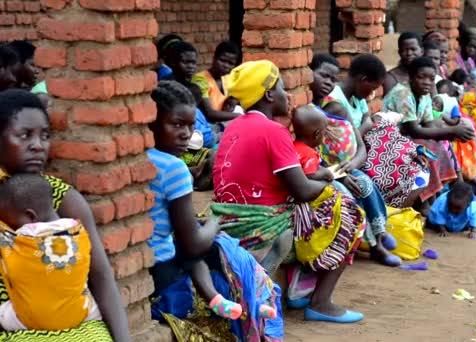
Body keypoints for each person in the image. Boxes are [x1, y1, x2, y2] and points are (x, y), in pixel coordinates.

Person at [212, 60, 366, 323]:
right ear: (270, 94)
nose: (288, 95)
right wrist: (329, 181)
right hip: (264, 222)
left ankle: (299, 286)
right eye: (282, 88)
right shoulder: (274, 131)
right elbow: (304, 190)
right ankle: (321, 302)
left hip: (228, 216)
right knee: (350, 214)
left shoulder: (234, 125)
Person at [147, 80, 283, 341]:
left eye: (189, 125)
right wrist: (216, 221)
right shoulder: (172, 168)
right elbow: (194, 246)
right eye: (176, 124)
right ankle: (245, 304)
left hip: (146, 269)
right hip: (165, 275)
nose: (186, 133)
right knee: (218, 251)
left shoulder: (141, 160)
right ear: (151, 123)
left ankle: (245, 303)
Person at [0, 89, 129, 341]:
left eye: (45, 136)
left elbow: (100, 274)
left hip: (78, 326)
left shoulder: (59, 196)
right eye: (24, 135)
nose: (38, 145)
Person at [311, 54, 401, 267]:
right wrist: (341, 173)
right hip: (329, 168)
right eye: (372, 89)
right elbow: (316, 152)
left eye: (332, 79)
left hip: (345, 163)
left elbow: (359, 144)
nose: (371, 95)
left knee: (365, 179)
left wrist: (351, 165)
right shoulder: (332, 106)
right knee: (359, 186)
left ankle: (378, 233)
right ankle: (375, 242)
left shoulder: (352, 101)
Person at [0, 174, 102, 331]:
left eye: (12, 222)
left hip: (32, 320)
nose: (12, 227)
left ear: (30, 216)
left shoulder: (26, 236)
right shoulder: (79, 232)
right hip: (80, 314)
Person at [384, 57, 476, 203]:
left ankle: (449, 191)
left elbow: (429, 124)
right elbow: (414, 130)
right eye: (421, 77)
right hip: (389, 141)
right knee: (429, 148)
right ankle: (427, 200)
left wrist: (450, 133)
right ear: (411, 77)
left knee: (440, 143)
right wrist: (451, 131)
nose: (427, 82)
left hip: (407, 137)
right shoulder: (403, 94)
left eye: (431, 79)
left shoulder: (424, 95)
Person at [162, 41, 217, 190]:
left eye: (193, 62)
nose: (191, 66)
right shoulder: (170, 88)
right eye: (185, 62)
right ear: (173, 62)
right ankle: (194, 172)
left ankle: (195, 171)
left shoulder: (192, 84)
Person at [192, 41, 243, 123]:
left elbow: (237, 96)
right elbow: (210, 114)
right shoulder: (200, 80)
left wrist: (233, 100)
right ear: (214, 58)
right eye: (222, 60)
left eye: (230, 63)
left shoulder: (227, 78)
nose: (226, 66)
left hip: (220, 124)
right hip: (206, 126)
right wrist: (241, 116)